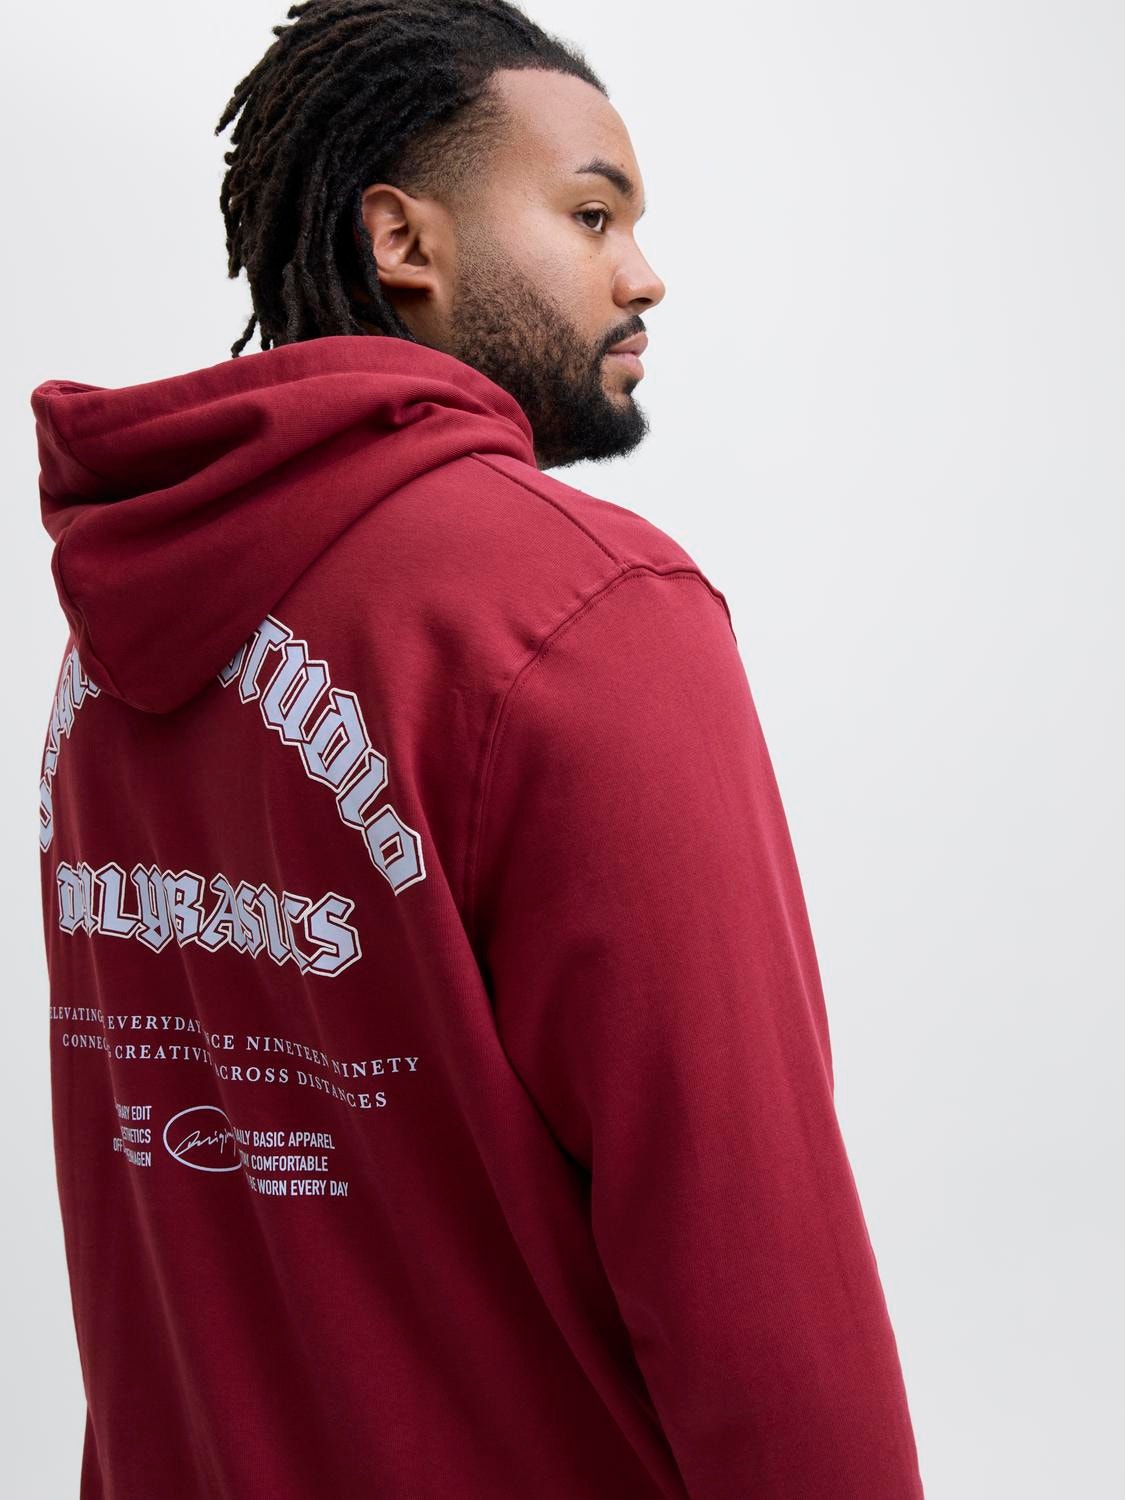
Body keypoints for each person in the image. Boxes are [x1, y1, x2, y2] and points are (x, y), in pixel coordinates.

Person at [31, 1, 925, 1495]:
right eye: (591, 214)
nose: (643, 274)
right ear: (404, 241)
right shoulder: (586, 613)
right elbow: (748, 1249)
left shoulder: (112, 654)